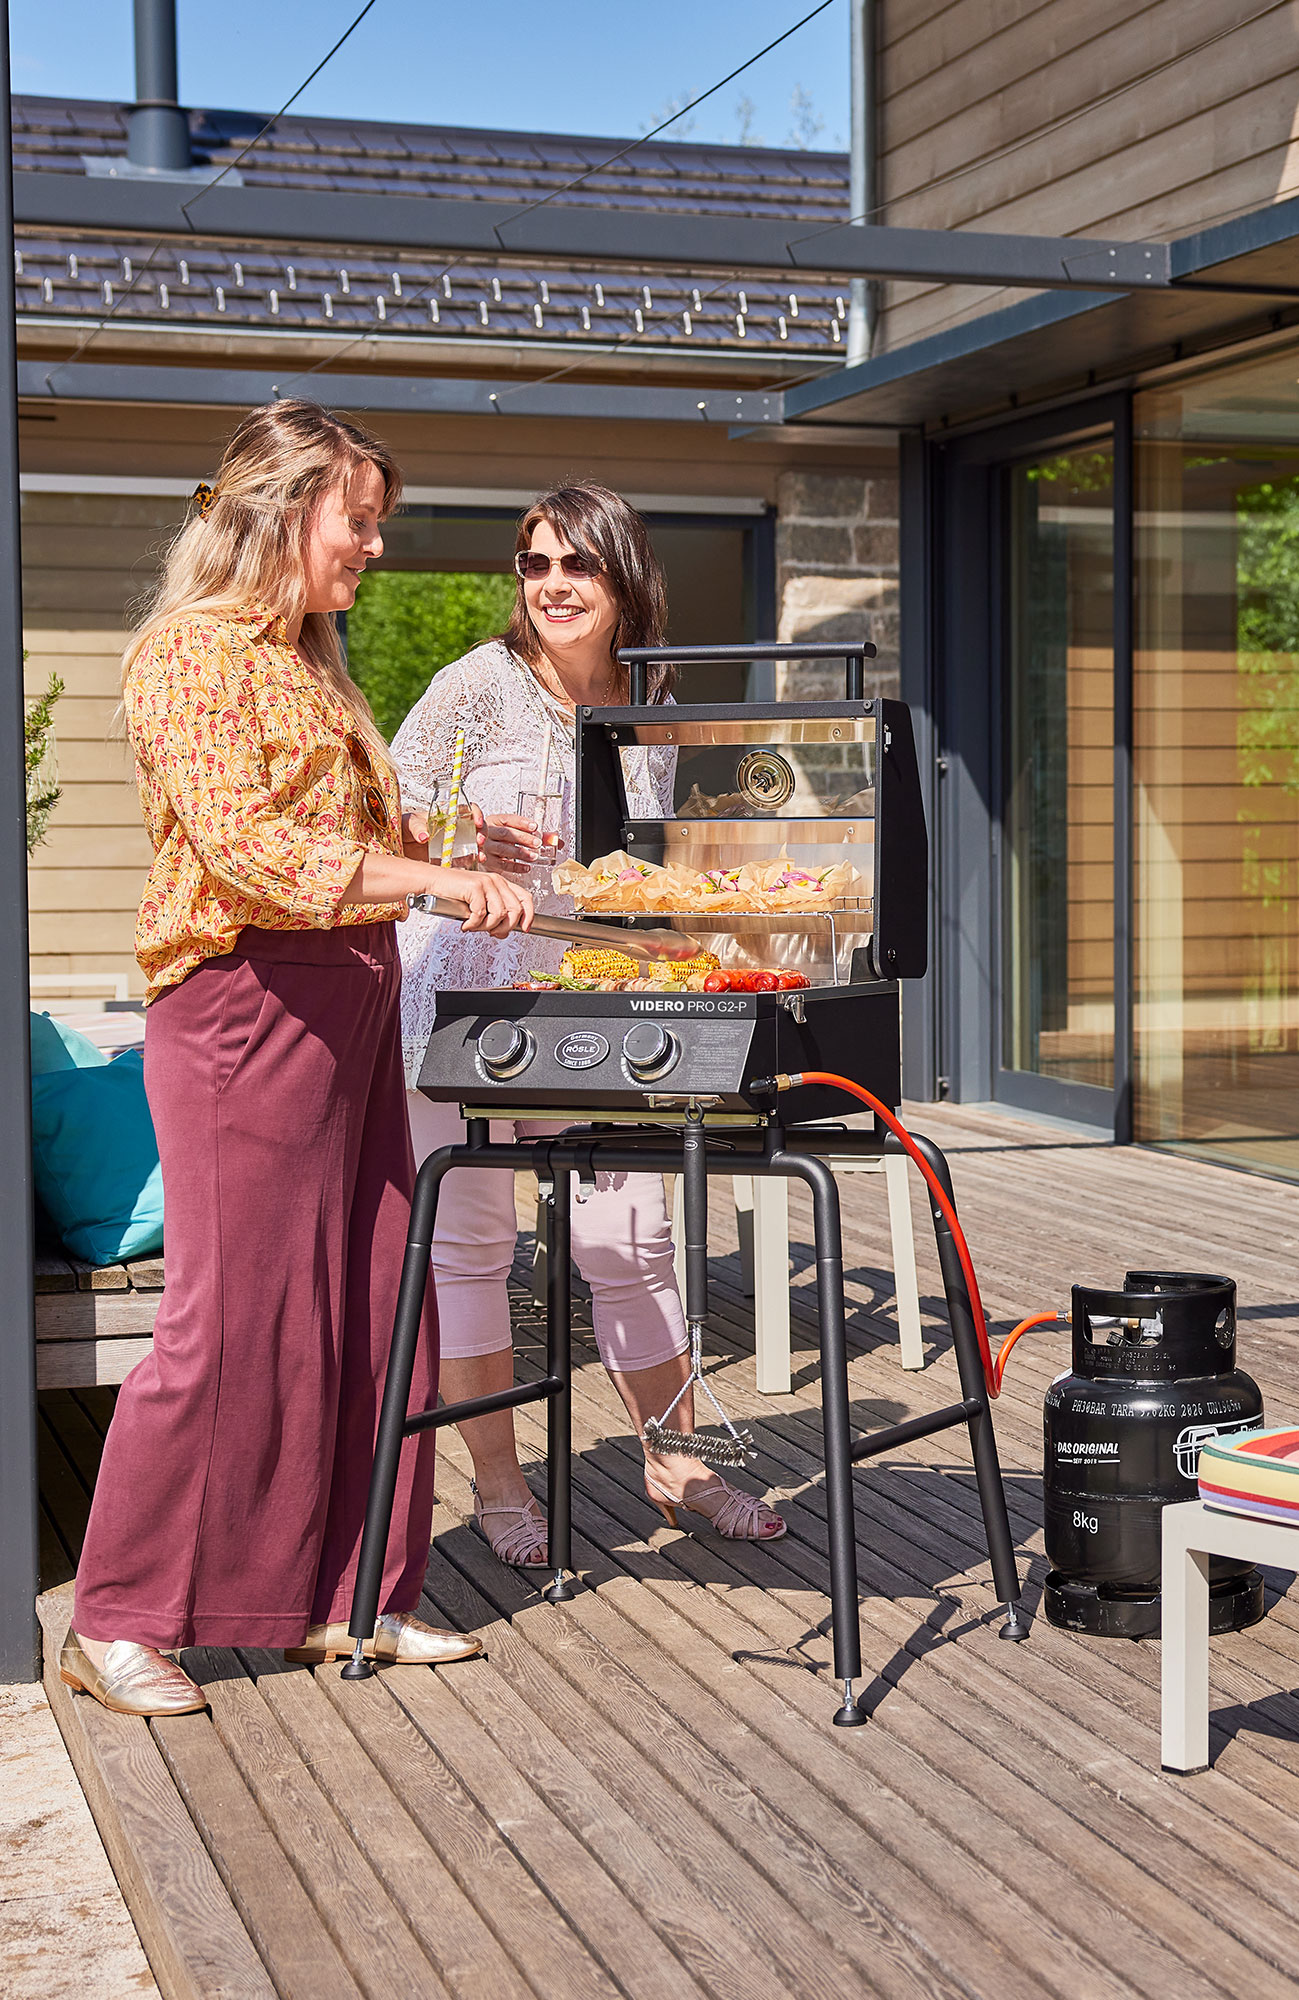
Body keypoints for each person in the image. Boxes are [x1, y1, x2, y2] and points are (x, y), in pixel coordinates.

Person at [62, 400, 537, 1718]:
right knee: (231, 1328)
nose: (375, 546)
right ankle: (117, 1616)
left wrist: (457, 839)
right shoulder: (185, 657)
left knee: (382, 1308)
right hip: (237, 1015)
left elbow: (343, 826)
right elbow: (253, 855)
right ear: (280, 511)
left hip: (346, 1006)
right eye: (360, 520)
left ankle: (349, 1601)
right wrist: (434, 880)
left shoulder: (313, 654)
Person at [391, 481, 785, 1558]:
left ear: (621, 578)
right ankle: (500, 1486)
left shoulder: (660, 692)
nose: (553, 584)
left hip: (604, 993)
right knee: (471, 1247)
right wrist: (464, 857)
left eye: (578, 564)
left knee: (634, 1235)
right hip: (466, 993)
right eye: (535, 563)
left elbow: (693, 856)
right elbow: (389, 835)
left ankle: (673, 1459)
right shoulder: (471, 685)